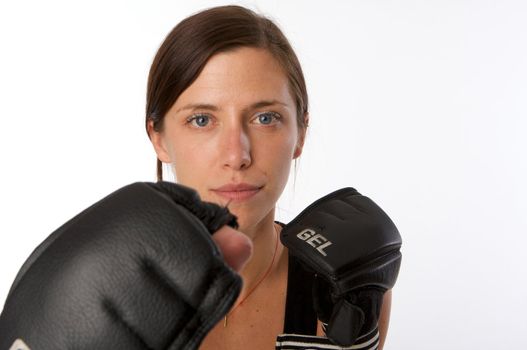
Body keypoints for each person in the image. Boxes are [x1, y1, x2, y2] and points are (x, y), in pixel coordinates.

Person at [146, 5, 393, 349]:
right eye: (202, 119)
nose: (237, 155)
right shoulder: (103, 285)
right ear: (159, 139)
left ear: (301, 133)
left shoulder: (348, 286)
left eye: (265, 118)